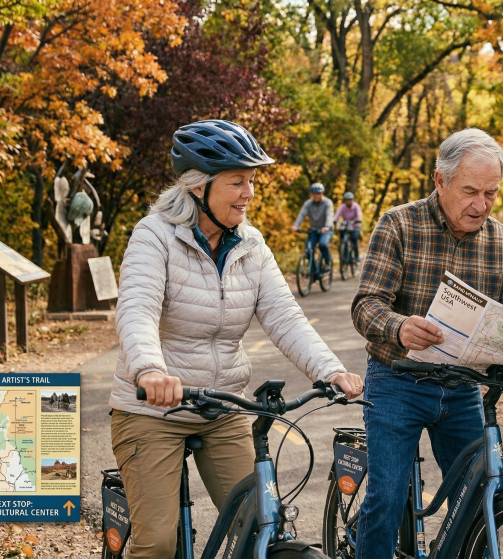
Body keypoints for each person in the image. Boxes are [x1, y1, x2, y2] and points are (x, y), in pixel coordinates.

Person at [110, 120, 364, 559]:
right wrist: (150, 369)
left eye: (251, 181)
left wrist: (331, 370)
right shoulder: (153, 236)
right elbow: (137, 309)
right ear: (197, 187)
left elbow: (285, 317)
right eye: (237, 182)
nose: (249, 192)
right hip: (153, 410)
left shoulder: (251, 244)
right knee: (156, 544)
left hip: (223, 406)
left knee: (260, 528)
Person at [351, 128, 503, 559]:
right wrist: (399, 326)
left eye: (491, 193)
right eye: (470, 191)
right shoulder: (399, 224)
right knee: (387, 496)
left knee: (476, 497)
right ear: (439, 181)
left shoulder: (502, 241)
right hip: (396, 382)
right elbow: (366, 305)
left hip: (462, 387)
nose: (481, 205)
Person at [292, 182, 334, 271]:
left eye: (318, 194)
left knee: (322, 245)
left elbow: (329, 215)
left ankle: (328, 262)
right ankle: (315, 271)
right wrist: (296, 225)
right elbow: (302, 214)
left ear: (322, 193)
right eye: (314, 194)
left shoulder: (327, 203)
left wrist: (326, 226)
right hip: (314, 230)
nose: (316, 196)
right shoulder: (308, 203)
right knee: (309, 249)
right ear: (312, 194)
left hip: (325, 230)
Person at [335, 191, 362, 263]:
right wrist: (335, 220)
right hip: (346, 225)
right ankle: (344, 255)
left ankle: (356, 257)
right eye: (347, 200)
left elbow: (359, 215)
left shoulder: (356, 206)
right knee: (342, 239)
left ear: (352, 200)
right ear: (345, 200)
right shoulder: (343, 206)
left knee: (353, 239)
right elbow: (337, 214)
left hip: (355, 225)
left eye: (350, 200)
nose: (348, 201)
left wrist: (358, 220)